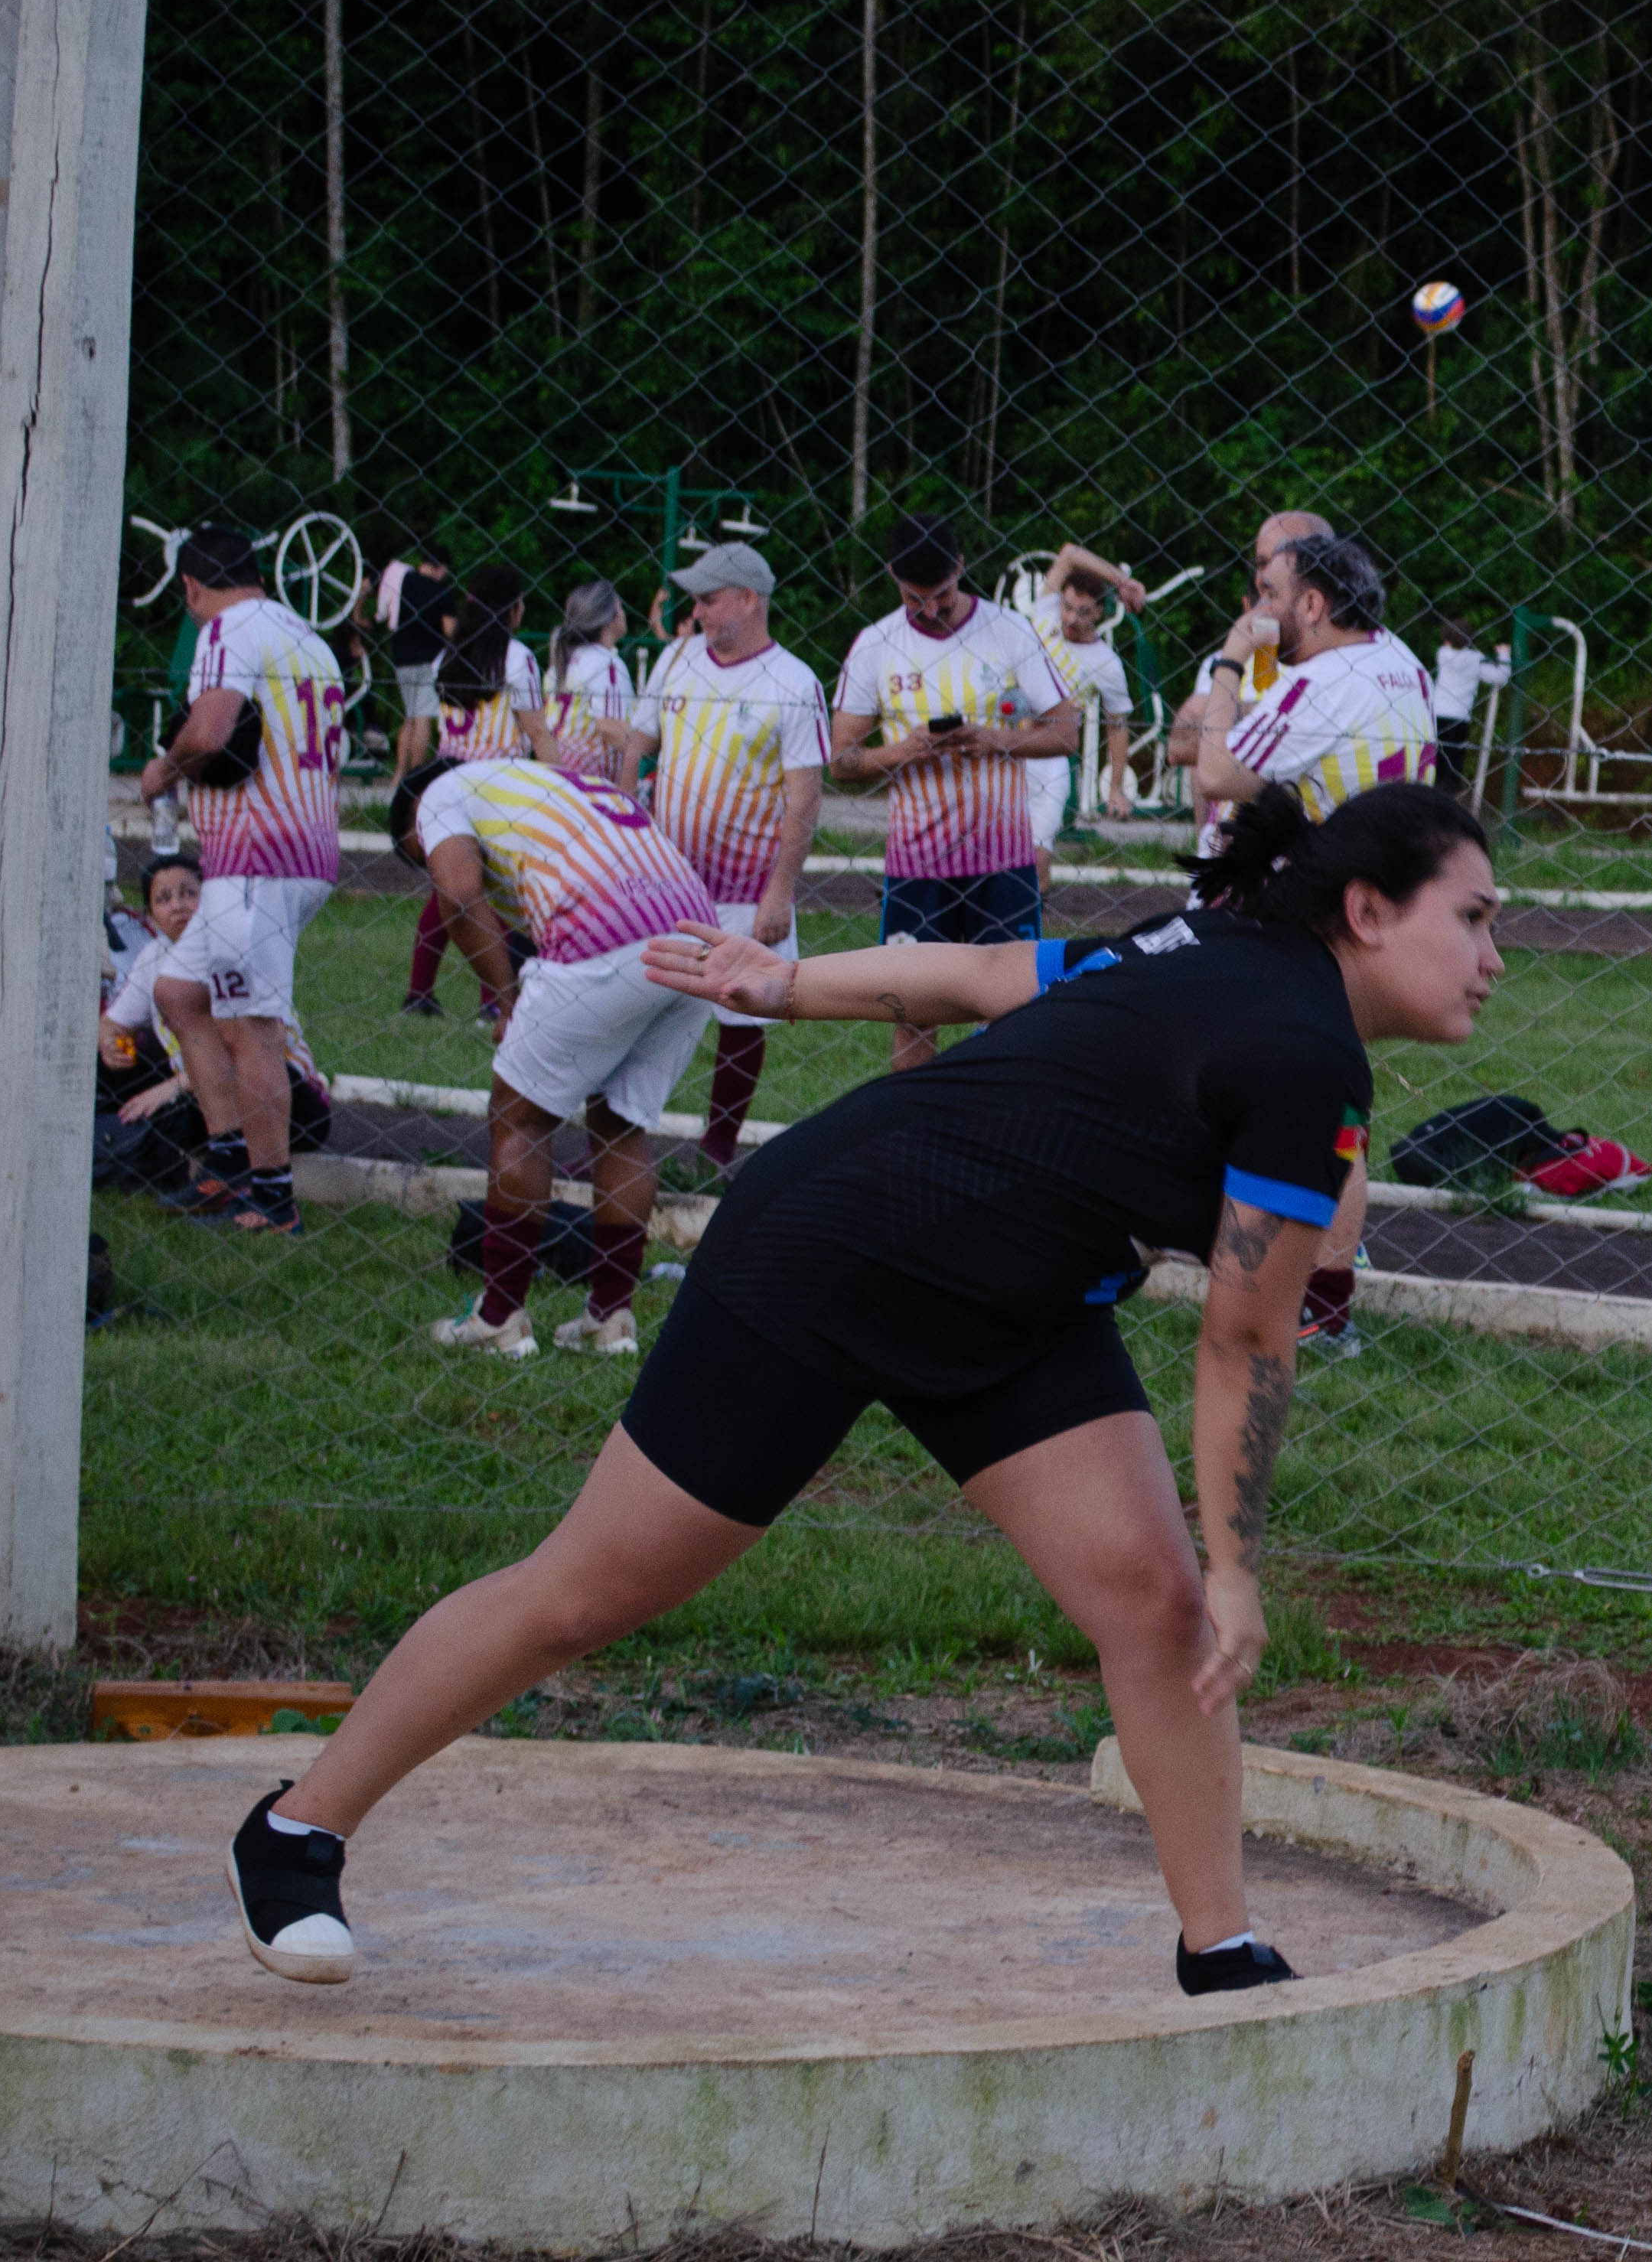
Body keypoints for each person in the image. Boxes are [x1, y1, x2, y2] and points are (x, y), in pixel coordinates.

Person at [221, 781, 1504, 1997]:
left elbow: (987, 979)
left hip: (1014, 1306)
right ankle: (296, 1828)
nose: (1494, 955)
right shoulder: (1284, 1030)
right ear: (1368, 909)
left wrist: (786, 983)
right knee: (581, 1596)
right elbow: (1243, 1339)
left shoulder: (1244, 977)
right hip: (831, 1256)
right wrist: (1241, 1564)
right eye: (1474, 917)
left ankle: (1220, 1950)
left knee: (1156, 1608)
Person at [1189, 514, 1439, 1354]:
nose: (1260, 610)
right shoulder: (1401, 660)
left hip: (1316, 914)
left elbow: (1215, 770)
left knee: (1290, 1096)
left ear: (1314, 603)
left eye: (1270, 594)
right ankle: (1320, 1295)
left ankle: (1306, 1292)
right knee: (1332, 1100)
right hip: (1378, 902)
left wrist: (1230, 662)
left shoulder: (1320, 685)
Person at [391, 758, 722, 1359]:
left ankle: (499, 1319)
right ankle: (610, 1320)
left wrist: (506, 1000)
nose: (429, 865)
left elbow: (458, 897)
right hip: (696, 938)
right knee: (621, 1125)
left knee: (518, 1118)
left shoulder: (439, 794)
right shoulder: (550, 780)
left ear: (415, 822)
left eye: (422, 857)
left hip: (603, 936)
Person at [132, 523, 350, 1234]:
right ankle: (230, 1157)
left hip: (256, 859)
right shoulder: (308, 637)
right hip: (301, 848)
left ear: (192, 587)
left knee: (252, 1026)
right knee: (179, 992)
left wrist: (163, 772)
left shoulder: (225, 631)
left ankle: (273, 1195)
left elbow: (211, 731)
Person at [826, 513, 1080, 1072]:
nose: (931, 610)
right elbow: (841, 761)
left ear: (961, 567)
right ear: (893, 577)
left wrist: (994, 739)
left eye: (941, 595)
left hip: (1003, 862)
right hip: (917, 865)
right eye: (915, 599)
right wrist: (904, 750)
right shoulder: (875, 645)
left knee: (1015, 1012)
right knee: (913, 1013)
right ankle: (915, 1123)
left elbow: (1067, 732)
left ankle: (1002, 1119)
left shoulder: (1009, 630)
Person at [628, 542, 827, 1169]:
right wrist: (623, 835)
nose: (697, 613)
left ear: (748, 599)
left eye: (708, 600)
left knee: (742, 1017)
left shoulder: (794, 682)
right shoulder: (677, 659)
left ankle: (714, 1152)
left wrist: (780, 892)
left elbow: (805, 797)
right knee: (638, 1003)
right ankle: (619, 1138)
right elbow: (637, 743)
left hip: (746, 887)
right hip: (665, 882)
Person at [98, 852, 334, 1198]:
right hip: (204, 1095)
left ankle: (232, 1172)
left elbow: (250, 1050)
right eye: (164, 899)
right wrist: (109, 1042)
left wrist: (174, 1086)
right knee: (107, 1066)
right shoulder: (155, 957)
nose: (178, 906)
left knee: (236, 1077)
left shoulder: (236, 947)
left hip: (284, 1094)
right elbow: (111, 1023)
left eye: (189, 894)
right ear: (150, 916)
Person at [405, 562, 548, 1019]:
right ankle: (493, 999)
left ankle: (420, 991)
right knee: (498, 895)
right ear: (514, 608)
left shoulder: (443, 657)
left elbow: (429, 729)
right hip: (500, 791)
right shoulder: (516, 658)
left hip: (449, 786)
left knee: (448, 895)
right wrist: (559, 786)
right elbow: (537, 732)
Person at [1031, 562, 1138, 850]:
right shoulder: (1045, 612)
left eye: (1083, 612)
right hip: (1007, 742)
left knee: (1039, 849)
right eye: (1067, 607)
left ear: (1099, 613)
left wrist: (1115, 790)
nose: (1071, 619)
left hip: (1050, 756)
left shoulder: (1107, 663)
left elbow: (1117, 726)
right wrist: (1121, 581)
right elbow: (1069, 554)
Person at [374, 543, 458, 777]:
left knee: (409, 717)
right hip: (429, 661)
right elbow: (450, 630)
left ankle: (399, 775)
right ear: (442, 568)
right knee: (423, 719)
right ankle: (415, 775)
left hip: (402, 658)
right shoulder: (443, 592)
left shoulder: (404, 581)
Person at [544, 579, 639, 784]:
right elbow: (610, 727)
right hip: (593, 781)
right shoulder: (606, 663)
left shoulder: (560, 664)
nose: (624, 614)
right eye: (620, 608)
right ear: (608, 618)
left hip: (558, 774)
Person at [1426, 618, 1512, 797]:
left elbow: (1455, 651)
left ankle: (1429, 794)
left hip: (1437, 713)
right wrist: (1504, 655)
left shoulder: (1442, 654)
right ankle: (1448, 796)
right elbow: (1500, 677)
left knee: (1434, 760)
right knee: (1454, 761)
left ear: (1447, 640)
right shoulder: (1476, 660)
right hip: (1459, 717)